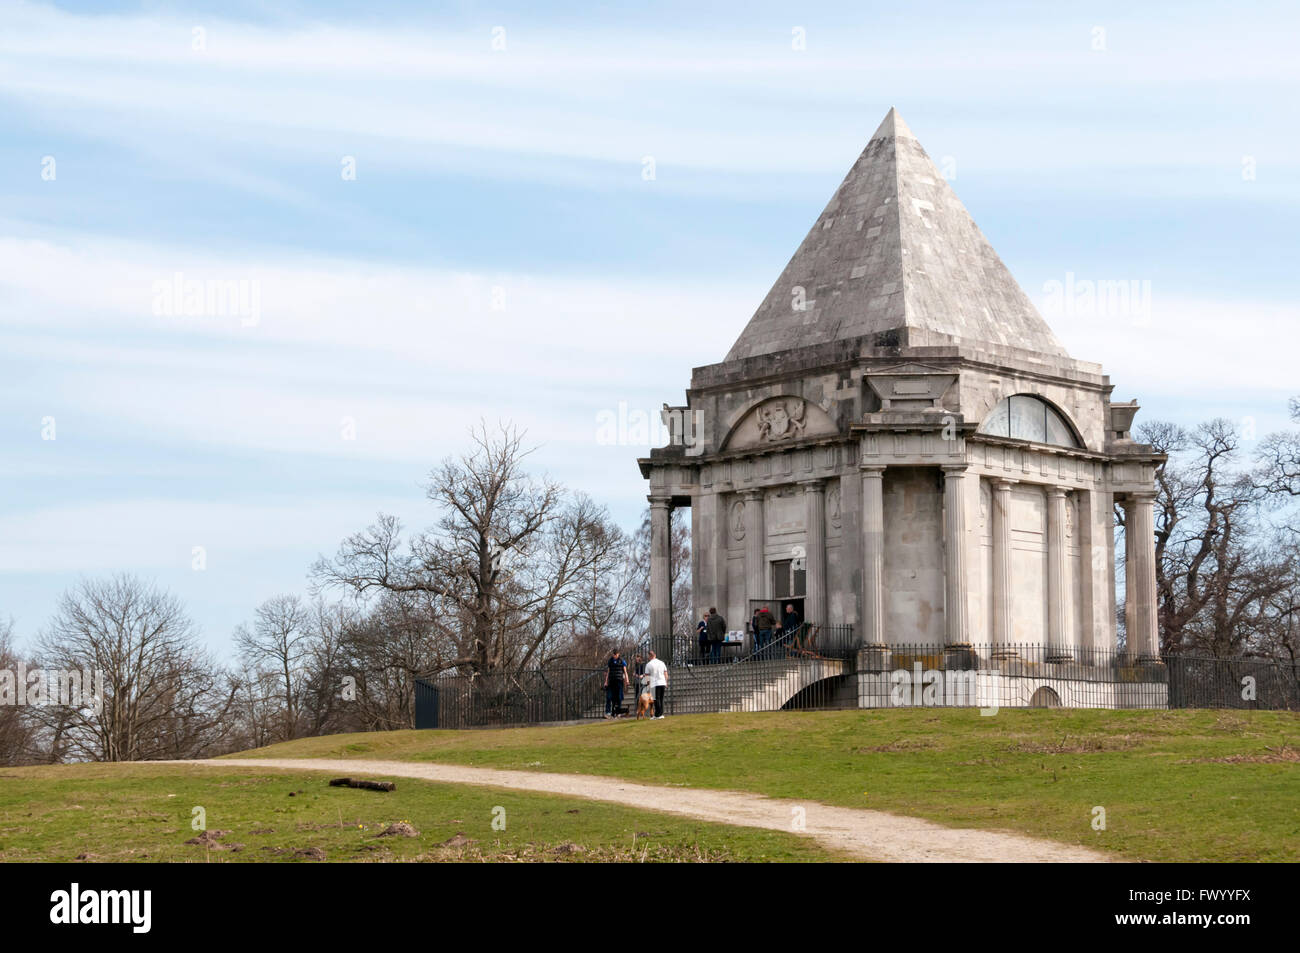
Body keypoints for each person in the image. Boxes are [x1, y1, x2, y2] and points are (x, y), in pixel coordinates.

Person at [643, 649, 668, 719]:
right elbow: (666, 673)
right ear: (655, 655)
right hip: (662, 682)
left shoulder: (648, 664)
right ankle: (660, 714)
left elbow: (647, 676)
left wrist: (648, 685)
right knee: (661, 699)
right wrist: (666, 682)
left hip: (654, 683)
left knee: (656, 699)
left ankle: (658, 715)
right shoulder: (662, 663)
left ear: (649, 656)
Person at [604, 649, 629, 717]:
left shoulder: (622, 661)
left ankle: (618, 712)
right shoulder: (610, 661)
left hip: (619, 681)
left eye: (616, 654)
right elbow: (608, 672)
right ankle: (608, 712)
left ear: (618, 654)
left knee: (619, 697)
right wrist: (606, 681)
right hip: (611, 681)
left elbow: (625, 671)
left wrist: (627, 680)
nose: (614, 656)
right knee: (609, 696)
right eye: (613, 654)